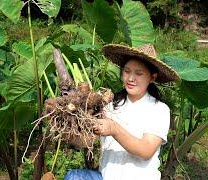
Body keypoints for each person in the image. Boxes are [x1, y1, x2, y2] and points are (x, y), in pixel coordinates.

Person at [64, 44, 179, 180]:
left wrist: (114, 129)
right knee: (74, 176)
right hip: (105, 177)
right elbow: (85, 141)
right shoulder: (110, 106)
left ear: (152, 77)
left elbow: (146, 150)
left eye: (139, 73)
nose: (130, 78)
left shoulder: (159, 110)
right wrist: (72, 125)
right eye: (127, 71)